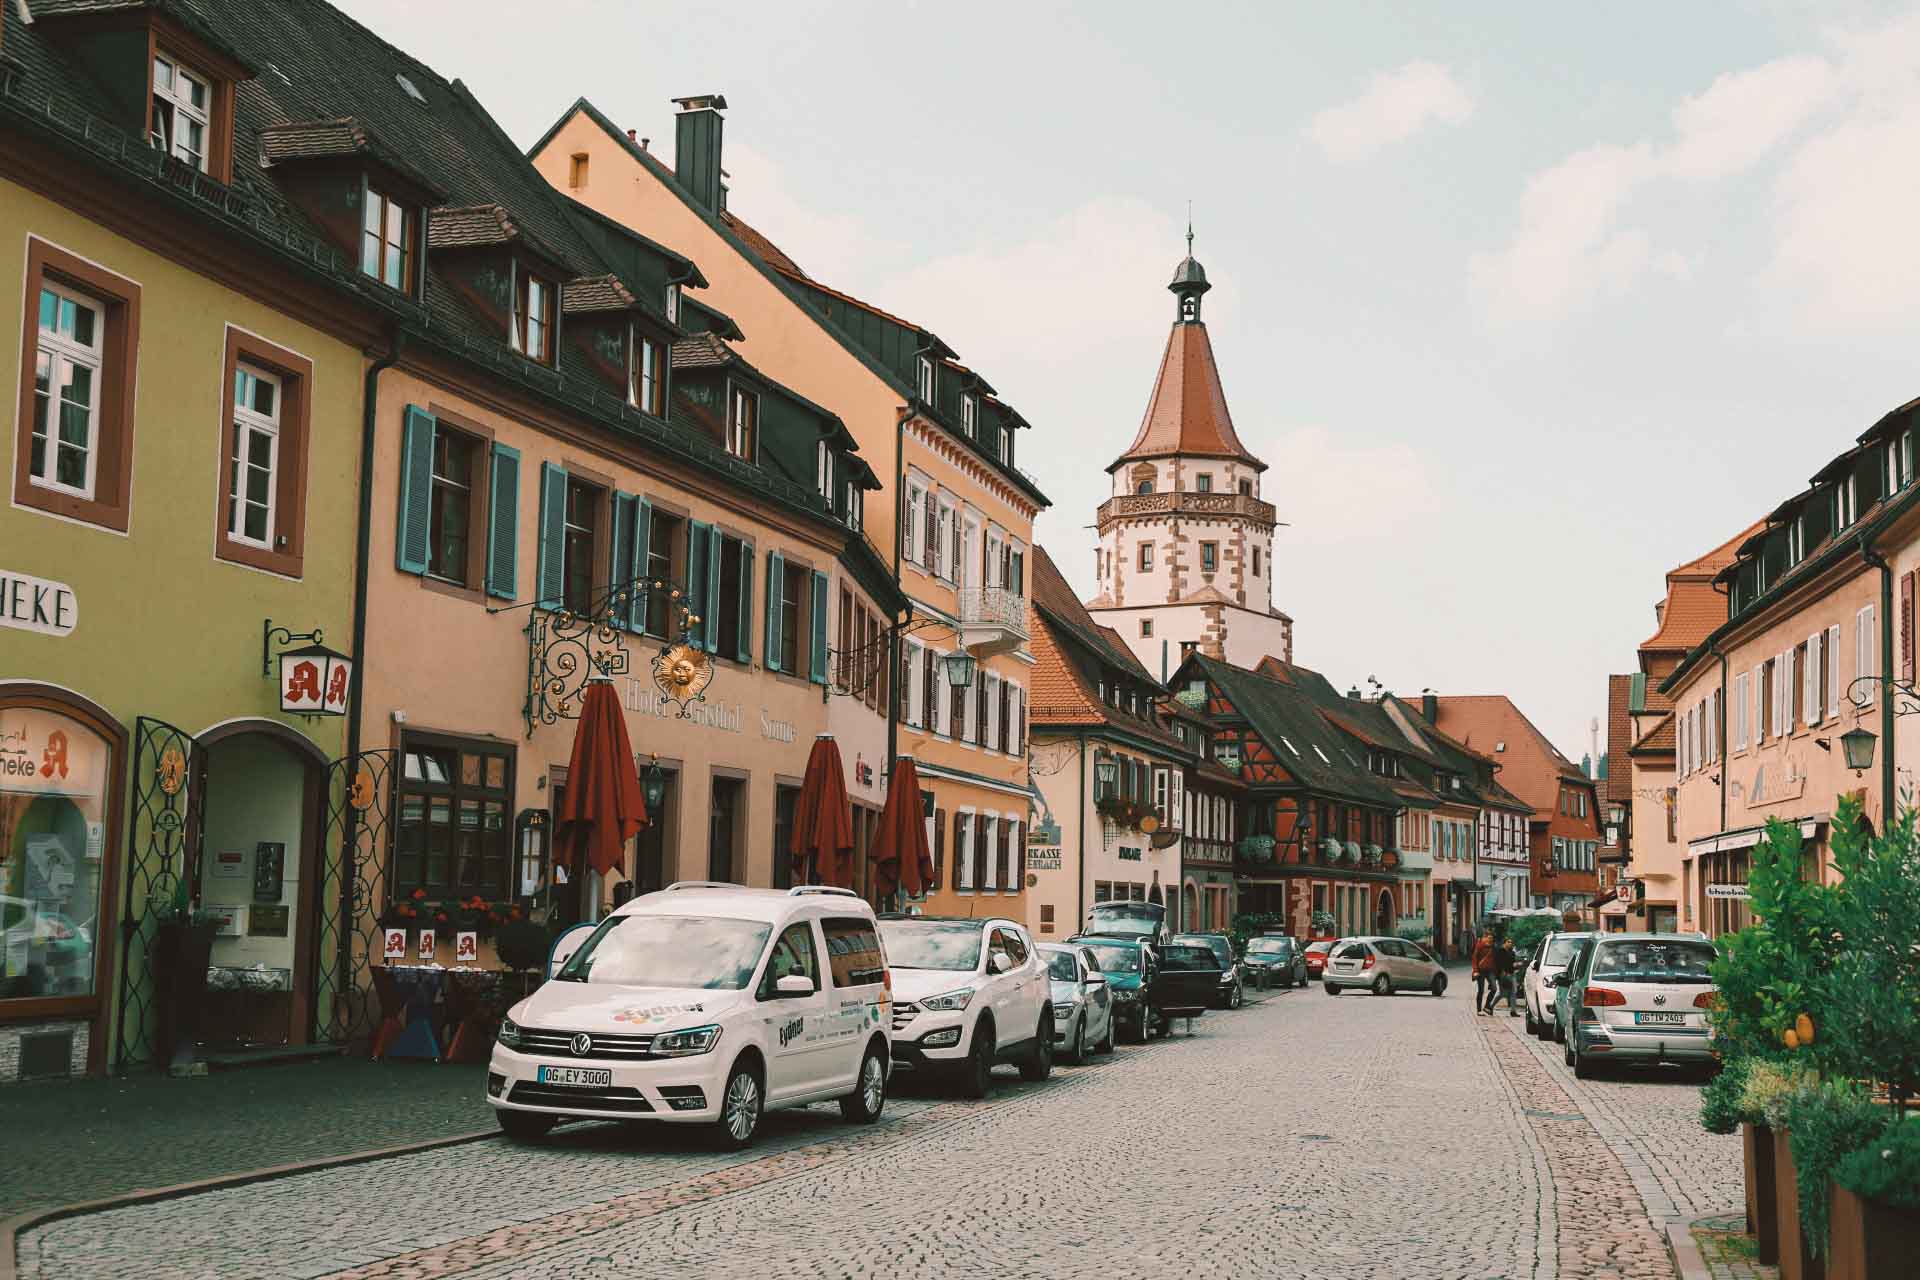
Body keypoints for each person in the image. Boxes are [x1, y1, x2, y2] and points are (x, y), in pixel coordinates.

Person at [1471, 928, 1497, 1014]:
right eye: (1488, 937)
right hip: (1480, 971)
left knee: (1494, 988)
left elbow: (1495, 959)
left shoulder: (1493, 946)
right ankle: (1479, 1010)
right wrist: (1475, 971)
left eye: (1491, 938)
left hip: (1490, 971)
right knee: (1481, 990)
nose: (1490, 939)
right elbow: (1474, 958)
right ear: (1484, 937)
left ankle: (1486, 1006)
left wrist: (1496, 972)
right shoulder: (1479, 945)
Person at [1494, 935, 1520, 1016]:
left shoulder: (1511, 952)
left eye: (1511, 942)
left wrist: (1516, 965)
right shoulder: (1500, 951)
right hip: (1503, 974)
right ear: (1504, 943)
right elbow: (1499, 964)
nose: (1510, 943)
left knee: (1513, 992)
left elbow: (1512, 963)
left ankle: (1513, 1011)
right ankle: (1490, 1006)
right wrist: (1502, 973)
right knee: (1501, 993)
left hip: (1511, 974)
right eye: (1508, 942)